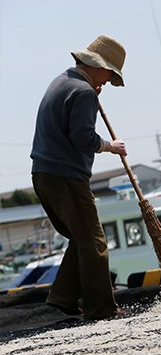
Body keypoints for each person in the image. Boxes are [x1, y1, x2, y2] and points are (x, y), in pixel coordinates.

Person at [31, 35, 128, 321]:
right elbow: (83, 137)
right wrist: (111, 146)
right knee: (94, 243)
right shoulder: (84, 92)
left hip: (43, 174)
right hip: (66, 177)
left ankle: (63, 296)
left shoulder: (61, 81)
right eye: (110, 75)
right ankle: (101, 310)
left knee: (80, 237)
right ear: (99, 66)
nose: (108, 82)